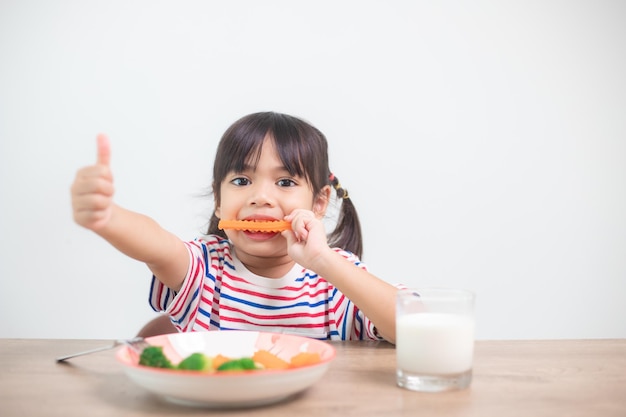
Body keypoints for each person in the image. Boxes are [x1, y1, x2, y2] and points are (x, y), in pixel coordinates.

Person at [71, 112, 398, 342]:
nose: (260, 197)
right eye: (242, 180)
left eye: (285, 181)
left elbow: (414, 327)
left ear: (318, 203)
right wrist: (109, 217)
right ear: (218, 199)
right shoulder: (204, 269)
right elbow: (157, 244)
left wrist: (324, 261)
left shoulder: (337, 279)